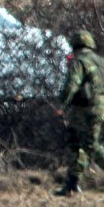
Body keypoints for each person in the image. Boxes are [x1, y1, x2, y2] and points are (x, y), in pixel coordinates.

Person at [57, 30, 104, 196]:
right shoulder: (100, 61)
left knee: (91, 146)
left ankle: (72, 184)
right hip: (100, 107)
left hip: (87, 109)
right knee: (77, 144)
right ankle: (72, 184)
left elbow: (72, 85)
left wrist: (61, 103)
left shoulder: (80, 62)